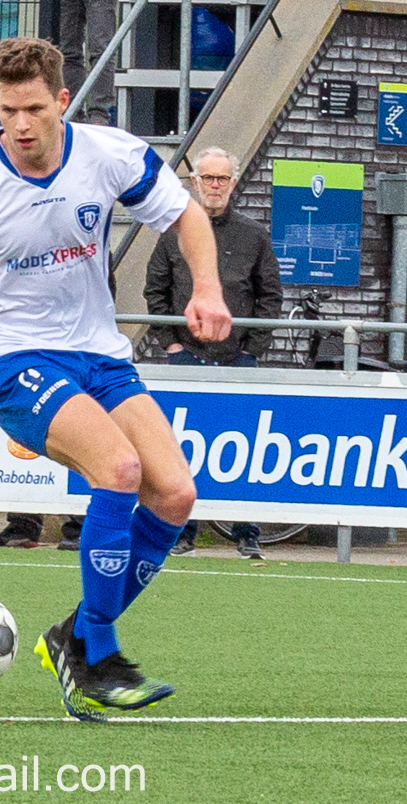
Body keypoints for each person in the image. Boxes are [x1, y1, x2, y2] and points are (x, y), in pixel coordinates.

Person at [0, 36, 231, 720]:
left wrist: (207, 287)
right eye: (7, 110)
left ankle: (72, 636)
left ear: (62, 101)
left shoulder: (109, 154)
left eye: (35, 109)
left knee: (175, 495)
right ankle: (96, 653)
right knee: (120, 469)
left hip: (99, 356)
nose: (20, 125)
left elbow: (186, 214)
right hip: (14, 361)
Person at [145, 145, 282, 560]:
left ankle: (247, 533)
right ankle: (183, 532)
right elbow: (156, 292)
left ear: (234, 183)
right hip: (186, 357)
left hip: (238, 360)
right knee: (181, 450)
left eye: (222, 178)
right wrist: (171, 345)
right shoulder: (173, 233)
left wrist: (252, 350)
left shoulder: (255, 236)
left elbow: (270, 297)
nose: (215, 185)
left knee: (246, 447)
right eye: (208, 177)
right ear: (195, 181)